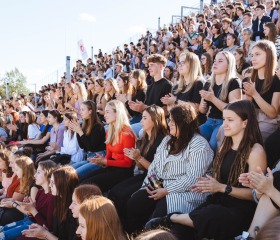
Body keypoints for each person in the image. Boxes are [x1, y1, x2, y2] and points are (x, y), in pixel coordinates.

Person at [147, 100, 267, 240]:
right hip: (218, 199)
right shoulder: (225, 145)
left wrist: (222, 188)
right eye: (223, 119)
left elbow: (256, 195)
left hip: (239, 209)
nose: (224, 124)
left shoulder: (255, 152)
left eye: (230, 120)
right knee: (181, 230)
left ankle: (171, 217)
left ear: (245, 123)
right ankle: (171, 221)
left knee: (211, 214)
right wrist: (207, 184)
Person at [125, 103, 214, 234]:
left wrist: (166, 190)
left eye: (173, 121)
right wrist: (156, 186)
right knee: (135, 202)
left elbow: (193, 179)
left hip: (185, 192)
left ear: (184, 122)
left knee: (157, 218)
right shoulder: (167, 140)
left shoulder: (199, 144)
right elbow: (154, 166)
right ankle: (135, 235)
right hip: (160, 184)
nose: (169, 123)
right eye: (169, 120)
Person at [108, 105, 167, 223]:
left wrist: (139, 158)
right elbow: (141, 167)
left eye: (145, 118)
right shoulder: (145, 138)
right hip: (146, 175)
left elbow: (157, 170)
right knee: (115, 191)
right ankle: (116, 225)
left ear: (155, 120)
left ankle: (127, 228)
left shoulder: (163, 140)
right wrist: (135, 158)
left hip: (157, 180)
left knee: (127, 198)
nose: (141, 121)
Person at [82, 100, 136, 192]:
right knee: (82, 182)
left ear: (117, 113)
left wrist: (106, 162)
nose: (104, 115)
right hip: (111, 167)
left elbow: (128, 163)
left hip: (123, 171)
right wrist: (101, 161)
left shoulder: (127, 133)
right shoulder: (109, 131)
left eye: (107, 112)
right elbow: (109, 155)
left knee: (87, 186)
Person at [0, 160, 57, 240]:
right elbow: (33, 218)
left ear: (48, 174)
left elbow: (48, 228)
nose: (35, 175)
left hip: (40, 233)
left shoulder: (52, 198)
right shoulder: (40, 192)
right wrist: (29, 209)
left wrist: (31, 210)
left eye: (39, 172)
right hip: (33, 226)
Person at [199, 51, 241, 151]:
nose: (215, 63)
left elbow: (234, 111)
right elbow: (202, 111)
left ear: (229, 65)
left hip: (224, 123)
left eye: (220, 61)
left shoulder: (234, 82)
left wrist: (212, 98)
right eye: (215, 61)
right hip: (209, 121)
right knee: (193, 137)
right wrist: (203, 104)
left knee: (212, 145)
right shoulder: (208, 83)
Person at [22, 166, 79, 240]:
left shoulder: (73, 210)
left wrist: (45, 234)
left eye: (52, 183)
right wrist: (44, 231)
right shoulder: (59, 202)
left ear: (62, 184)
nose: (49, 185)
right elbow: (53, 230)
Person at [243, 40, 280, 141]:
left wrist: (255, 94)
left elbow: (273, 114)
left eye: (257, 54)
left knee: (250, 138)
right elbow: (246, 109)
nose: (253, 59)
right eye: (252, 55)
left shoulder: (276, 80)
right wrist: (248, 100)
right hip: (252, 117)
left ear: (269, 55)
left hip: (268, 121)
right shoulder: (250, 79)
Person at [128, 54, 172, 137]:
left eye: (152, 65)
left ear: (161, 66)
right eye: (148, 65)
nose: (149, 68)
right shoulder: (150, 86)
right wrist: (138, 108)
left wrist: (144, 107)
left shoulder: (167, 85)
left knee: (131, 131)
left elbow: (166, 111)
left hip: (158, 124)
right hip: (147, 121)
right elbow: (147, 107)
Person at [69, 100, 106, 182]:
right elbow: (83, 147)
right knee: (66, 171)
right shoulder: (84, 124)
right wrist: (78, 131)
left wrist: (80, 132)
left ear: (90, 111)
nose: (80, 112)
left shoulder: (97, 126)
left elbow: (92, 148)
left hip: (98, 157)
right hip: (89, 157)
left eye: (83, 110)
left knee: (73, 176)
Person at [0, 156, 37, 226]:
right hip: (20, 211)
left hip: (24, 216)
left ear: (24, 170)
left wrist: (12, 203)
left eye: (17, 170)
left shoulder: (33, 186)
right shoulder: (23, 180)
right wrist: (8, 200)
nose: (15, 172)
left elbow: (30, 212)